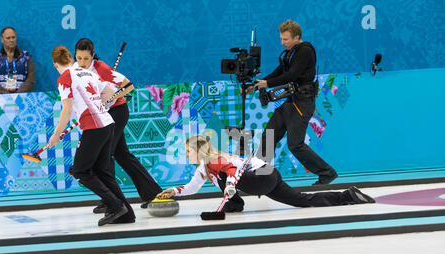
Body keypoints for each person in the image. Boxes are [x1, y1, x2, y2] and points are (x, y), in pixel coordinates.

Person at [156, 135, 375, 211]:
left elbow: (231, 170)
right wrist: (173, 191)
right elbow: (192, 187)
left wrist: (231, 186)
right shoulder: (205, 166)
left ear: (198, 150)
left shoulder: (214, 160)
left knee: (225, 176)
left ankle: (235, 204)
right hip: (268, 175)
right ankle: (348, 195)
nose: (186, 155)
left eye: (188, 151)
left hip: (261, 177)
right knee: (302, 201)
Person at [73, 38, 163, 213]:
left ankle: (112, 201)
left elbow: (128, 86)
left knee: (104, 157)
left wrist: (110, 98)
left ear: (93, 56)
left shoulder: (100, 68)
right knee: (121, 155)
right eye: (79, 58)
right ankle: (151, 193)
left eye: (86, 58)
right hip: (103, 115)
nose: (82, 62)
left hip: (117, 112)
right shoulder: (76, 70)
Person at [49, 45, 135, 226]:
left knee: (80, 170)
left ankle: (115, 205)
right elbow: (111, 94)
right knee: (102, 171)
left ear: (55, 64)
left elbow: (67, 108)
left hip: (94, 126)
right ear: (71, 59)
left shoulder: (64, 78)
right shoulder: (86, 72)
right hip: (108, 123)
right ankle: (126, 213)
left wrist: (56, 134)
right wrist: (98, 104)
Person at [248, 20, 337, 185]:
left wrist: (267, 84)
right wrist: (255, 85)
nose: (282, 43)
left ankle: (327, 173)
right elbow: (280, 71)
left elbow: (292, 75)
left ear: (297, 37)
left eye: (286, 39)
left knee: (295, 144)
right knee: (269, 136)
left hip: (302, 103)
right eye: (281, 39)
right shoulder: (290, 52)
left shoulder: (305, 51)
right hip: (290, 102)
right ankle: (259, 178)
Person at [0, 27, 35, 94]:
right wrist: (5, 95)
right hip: (0, 99)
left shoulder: (26, 56)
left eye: (13, 37)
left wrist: (17, 95)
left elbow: (31, 78)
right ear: (2, 39)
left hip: (22, 97)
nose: (11, 40)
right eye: (8, 38)